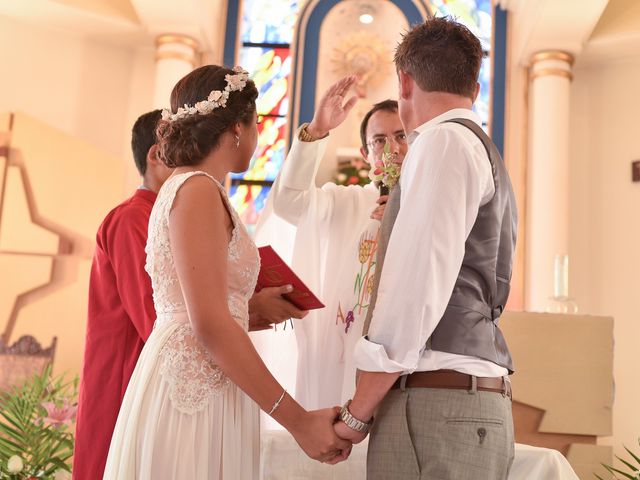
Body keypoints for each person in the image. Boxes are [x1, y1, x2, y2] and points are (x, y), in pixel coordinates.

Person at [104, 65, 351, 479]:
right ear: (238, 127)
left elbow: (205, 310)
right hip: (192, 390)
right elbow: (210, 325)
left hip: (207, 377)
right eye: (256, 125)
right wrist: (299, 421)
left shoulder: (194, 187)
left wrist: (250, 311)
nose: (256, 137)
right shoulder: (197, 189)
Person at [74, 110, 306, 480]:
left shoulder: (184, 206)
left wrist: (245, 307)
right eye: (180, 146)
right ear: (156, 155)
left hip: (190, 377)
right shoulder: (133, 217)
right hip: (136, 383)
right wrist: (249, 307)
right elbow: (156, 315)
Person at [333, 17, 517, 480]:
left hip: (437, 404)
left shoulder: (441, 142)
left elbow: (413, 293)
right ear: (474, 86)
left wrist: (357, 413)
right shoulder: (479, 148)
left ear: (405, 81)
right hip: (462, 401)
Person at [255, 77, 408, 410]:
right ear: (366, 153)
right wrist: (317, 131)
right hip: (343, 354)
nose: (393, 148)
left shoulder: (432, 209)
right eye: (380, 140)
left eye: (402, 136)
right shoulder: (345, 202)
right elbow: (290, 202)